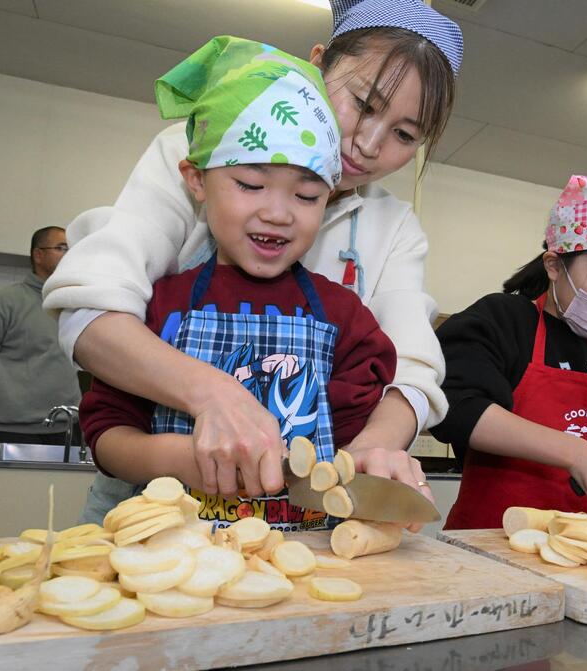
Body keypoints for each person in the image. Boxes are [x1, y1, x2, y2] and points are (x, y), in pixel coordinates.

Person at [42, 0, 463, 528]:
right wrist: (217, 396)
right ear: (318, 63)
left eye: (405, 135)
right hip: (156, 505)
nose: (368, 144)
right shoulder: (206, 145)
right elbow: (90, 309)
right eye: (362, 103)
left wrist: (375, 450)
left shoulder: (392, 227)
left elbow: (412, 368)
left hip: (302, 521)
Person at [79, 37, 398, 531]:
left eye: (308, 195)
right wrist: (183, 459)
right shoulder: (161, 304)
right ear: (196, 180)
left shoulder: (346, 317)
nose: (277, 212)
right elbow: (107, 434)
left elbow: (353, 450)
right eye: (251, 184)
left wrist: (379, 469)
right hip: (172, 555)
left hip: (300, 562)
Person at [431, 176, 587, 529]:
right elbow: (454, 403)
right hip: (489, 545)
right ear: (554, 265)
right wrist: (577, 453)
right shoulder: (505, 322)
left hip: (586, 551)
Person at [0, 227, 81, 446]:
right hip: (7, 431)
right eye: (61, 247)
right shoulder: (4, 302)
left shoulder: (74, 304)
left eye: (71, 248)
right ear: (38, 255)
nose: (69, 254)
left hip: (68, 428)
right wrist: (8, 397)